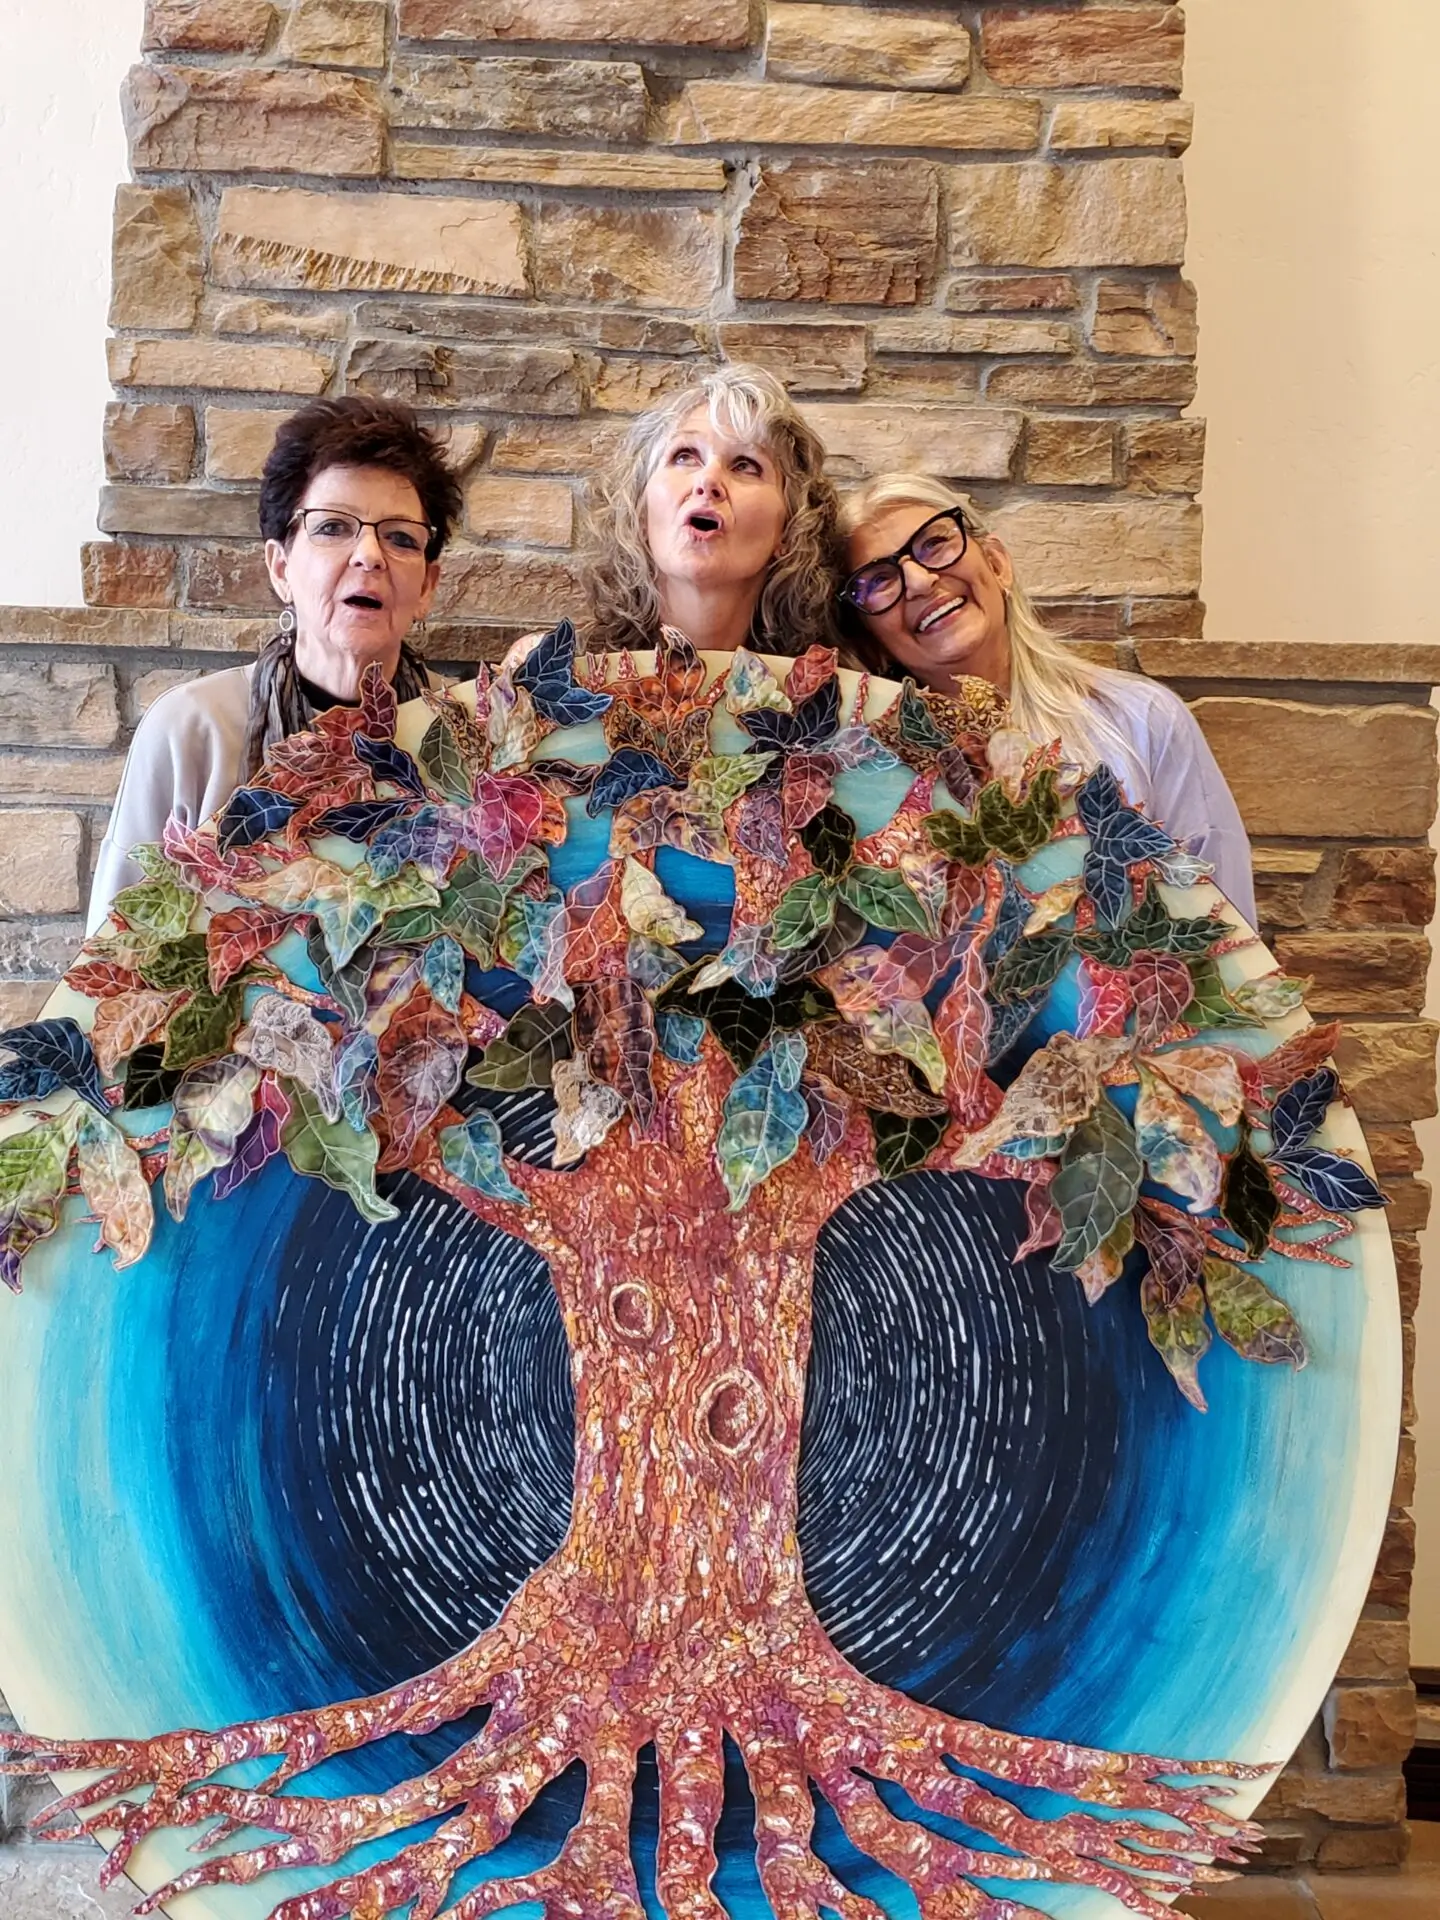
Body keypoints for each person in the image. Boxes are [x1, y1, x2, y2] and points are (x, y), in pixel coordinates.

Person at [86, 396, 462, 931]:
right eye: (333, 527)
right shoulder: (194, 730)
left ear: (426, 586)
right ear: (281, 566)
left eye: (401, 537)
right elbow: (112, 949)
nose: (370, 555)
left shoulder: (468, 731)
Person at [837, 473, 1256, 923]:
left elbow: (1226, 929)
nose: (919, 580)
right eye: (878, 580)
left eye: (934, 543)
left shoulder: (1140, 720)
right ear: (871, 640)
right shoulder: (867, 776)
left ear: (997, 564)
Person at [575, 363, 842, 657]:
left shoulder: (836, 694)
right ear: (639, 512)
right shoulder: (560, 677)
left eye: (745, 465)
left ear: (791, 529)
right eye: (685, 456)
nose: (708, 480)